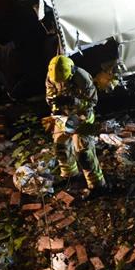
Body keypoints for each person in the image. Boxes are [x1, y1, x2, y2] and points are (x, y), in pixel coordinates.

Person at [45, 55, 107, 194]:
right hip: (64, 115)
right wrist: (55, 103)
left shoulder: (82, 78)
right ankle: (70, 175)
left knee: (84, 153)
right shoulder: (51, 76)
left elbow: (92, 102)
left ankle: (97, 185)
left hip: (82, 116)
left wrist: (74, 101)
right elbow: (49, 96)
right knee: (60, 145)